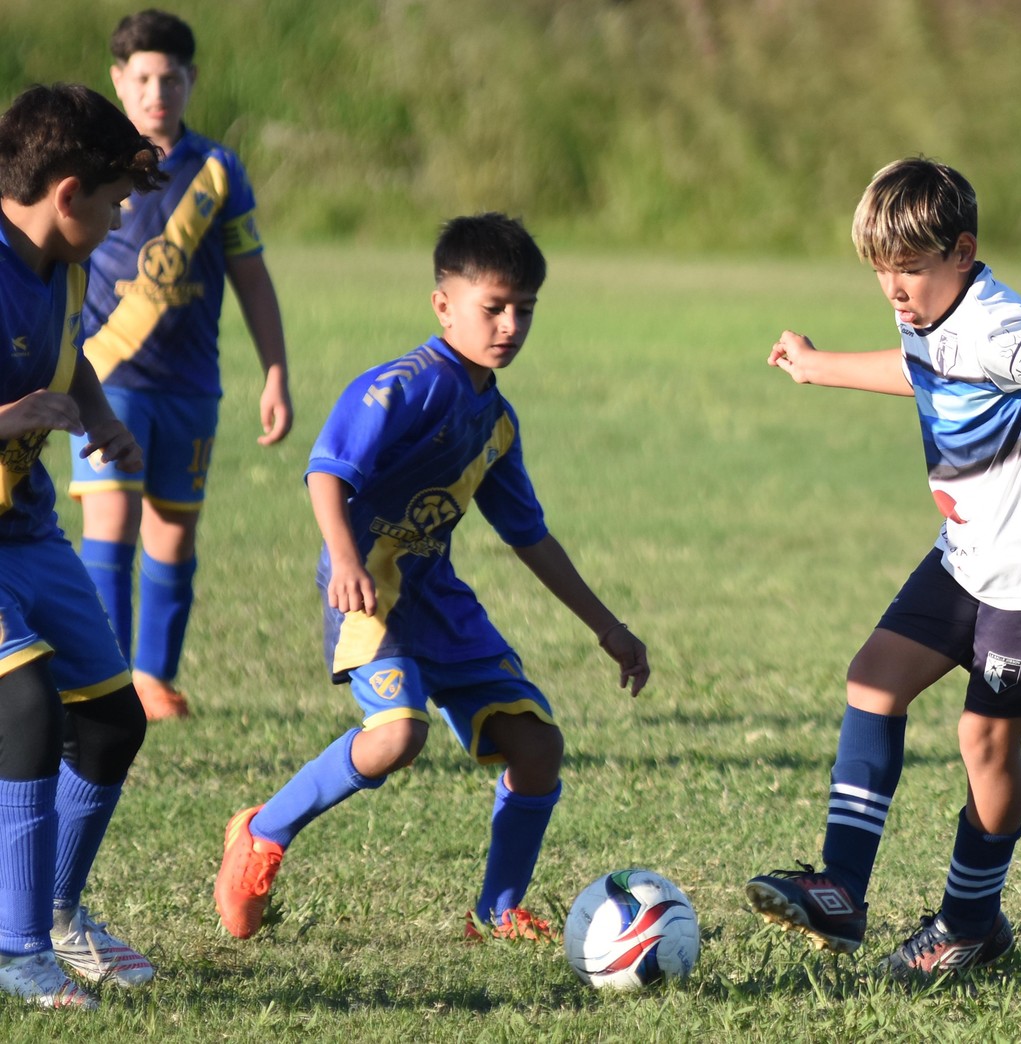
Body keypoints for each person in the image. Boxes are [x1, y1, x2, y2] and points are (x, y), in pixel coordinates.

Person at [743, 157, 1021, 977]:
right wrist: (818, 366)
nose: (893, 288)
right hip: (972, 551)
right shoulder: (934, 312)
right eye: (881, 270)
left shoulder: (1001, 325)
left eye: (909, 269)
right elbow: (923, 371)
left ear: (963, 250)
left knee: (983, 740)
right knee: (874, 677)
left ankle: (969, 924)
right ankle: (841, 888)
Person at [214, 212, 650, 944]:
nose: (509, 325)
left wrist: (607, 627)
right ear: (443, 304)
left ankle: (496, 910)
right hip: (371, 587)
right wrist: (346, 560)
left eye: (524, 312)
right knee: (394, 736)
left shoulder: (497, 420)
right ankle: (261, 832)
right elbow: (326, 471)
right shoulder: (403, 386)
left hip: (437, 597)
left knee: (537, 746)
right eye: (493, 308)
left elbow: (529, 535)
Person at [68, 9, 293, 722]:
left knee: (174, 529)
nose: (156, 92)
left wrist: (276, 371)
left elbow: (251, 276)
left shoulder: (218, 171)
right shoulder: (92, 166)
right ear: (118, 81)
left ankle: (154, 680)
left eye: (171, 78)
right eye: (143, 78)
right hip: (105, 376)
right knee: (113, 521)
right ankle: (106, 681)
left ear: (191, 81)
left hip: (193, 386)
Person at [0, 82, 167, 1009]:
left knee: (110, 720)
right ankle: (14, 949)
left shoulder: (57, 266)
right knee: (23, 705)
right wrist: (17, 416)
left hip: (24, 529)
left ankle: (59, 914)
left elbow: (73, 356)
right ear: (67, 193)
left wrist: (96, 414)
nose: (116, 222)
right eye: (110, 204)